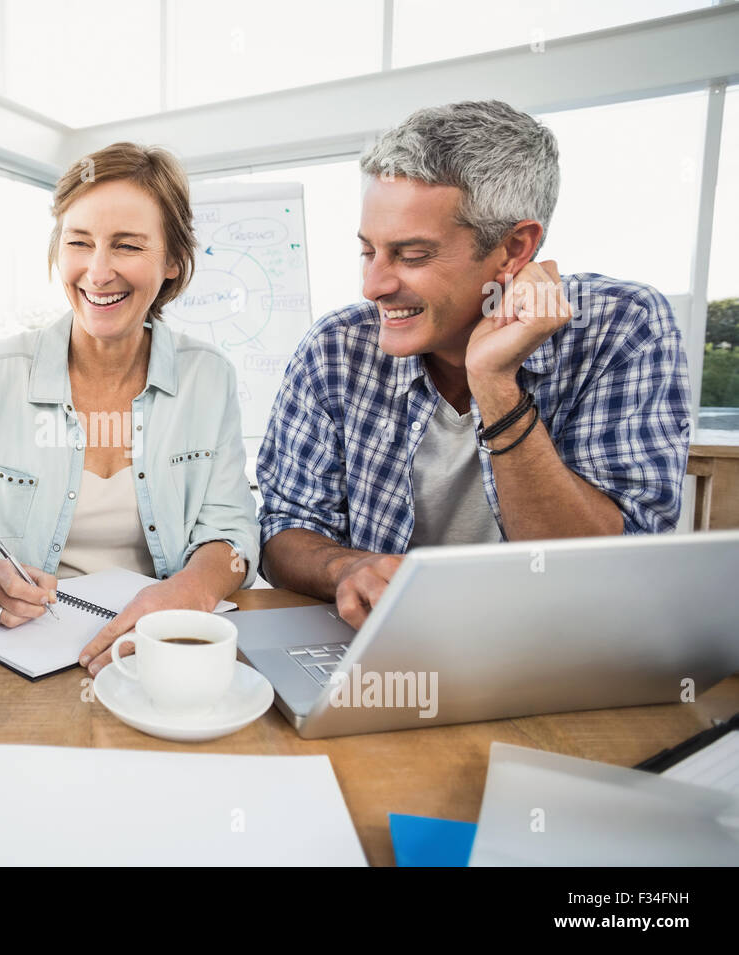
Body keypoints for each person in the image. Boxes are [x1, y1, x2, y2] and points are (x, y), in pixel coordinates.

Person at [258, 100, 691, 629]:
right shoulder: (337, 347)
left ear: (514, 248)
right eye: (369, 251)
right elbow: (285, 527)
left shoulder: (622, 329)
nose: (373, 286)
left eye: (412, 255)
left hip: (562, 646)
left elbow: (613, 571)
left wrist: (494, 383)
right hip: (381, 648)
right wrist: (348, 566)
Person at [0, 142, 259, 676]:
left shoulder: (209, 378)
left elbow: (233, 534)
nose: (98, 271)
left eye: (127, 246)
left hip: (155, 653)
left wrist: (187, 595)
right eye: (79, 242)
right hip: (17, 661)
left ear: (173, 261)